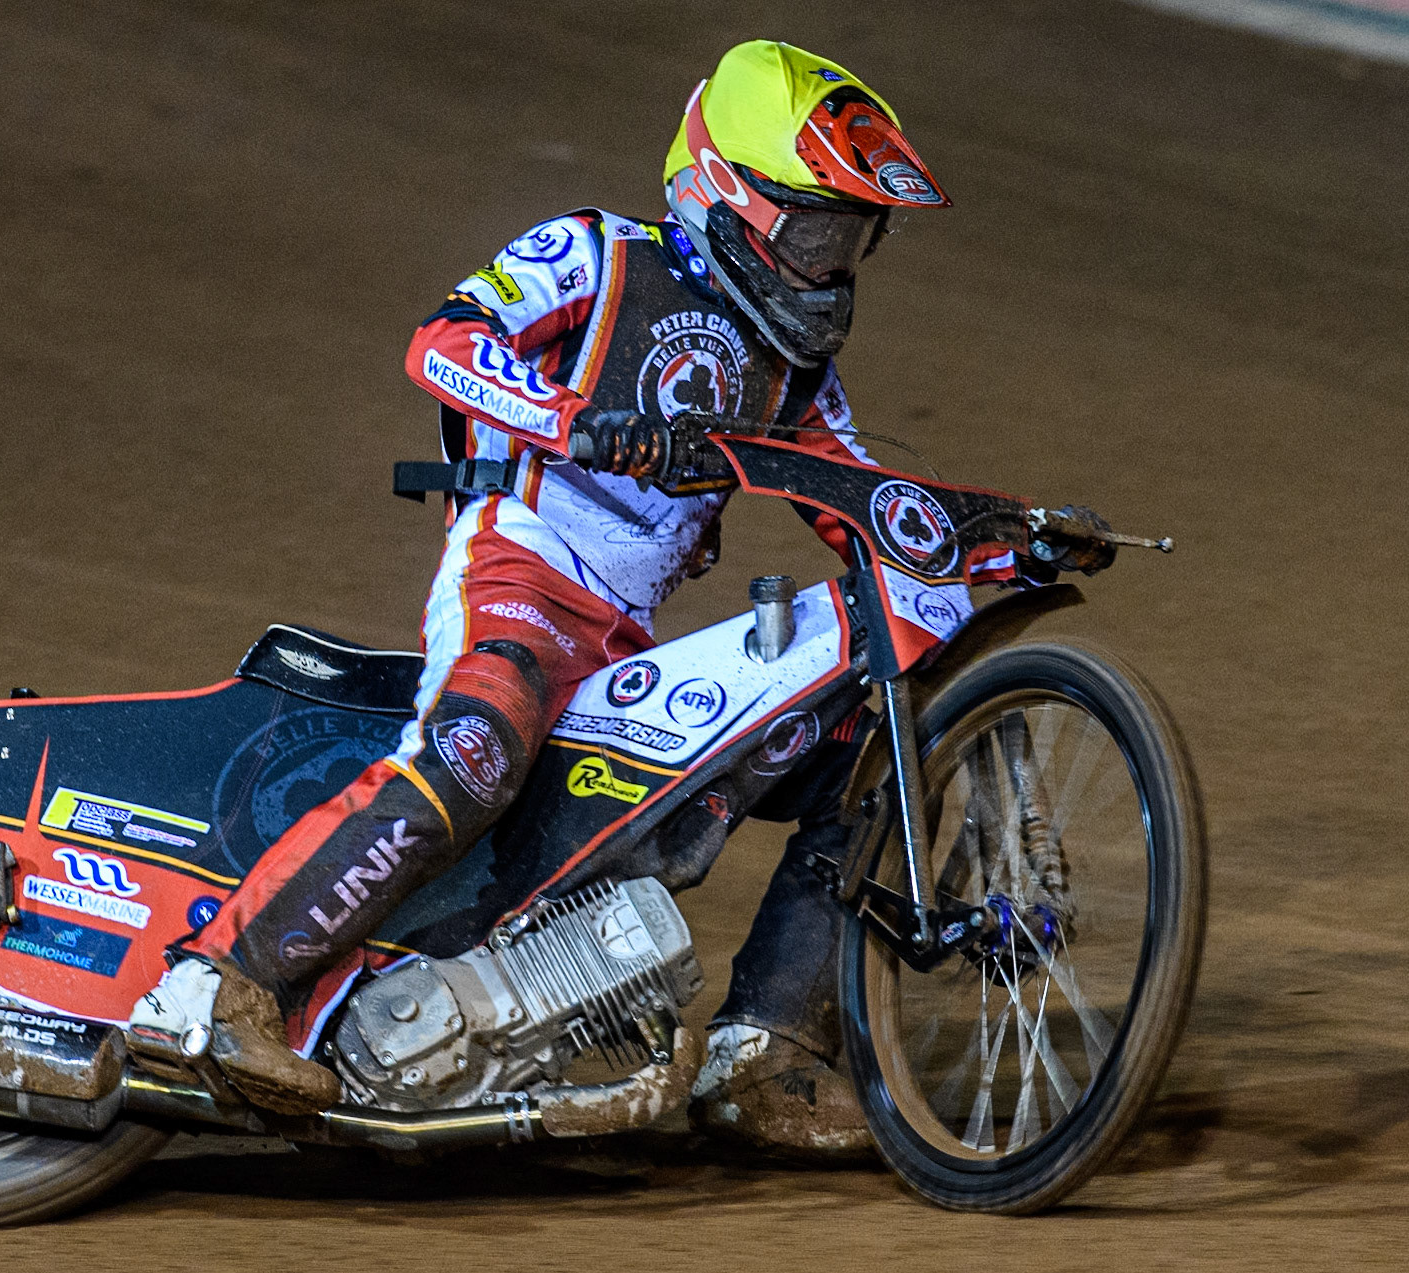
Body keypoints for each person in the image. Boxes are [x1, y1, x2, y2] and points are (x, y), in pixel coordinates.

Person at [131, 39, 952, 1152]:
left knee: (858, 741)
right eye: (813, 232)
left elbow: (856, 498)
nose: (829, 267)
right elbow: (443, 343)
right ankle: (214, 986)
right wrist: (569, 422)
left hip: (623, 641)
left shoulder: (797, 378)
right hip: (515, 567)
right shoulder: (594, 253)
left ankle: (768, 1051)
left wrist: (994, 534)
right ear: (727, 193)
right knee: (480, 742)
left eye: (851, 240)